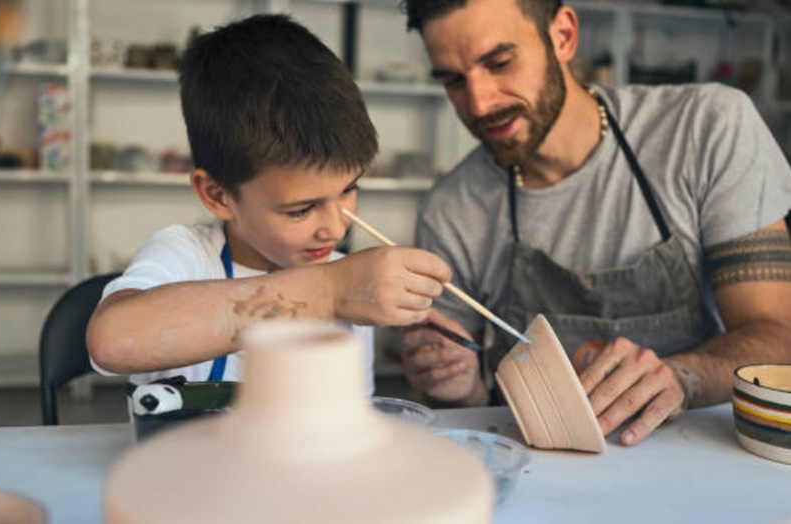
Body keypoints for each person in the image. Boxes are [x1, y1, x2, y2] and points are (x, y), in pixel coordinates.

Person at [398, 0, 791, 445]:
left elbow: (778, 337)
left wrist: (684, 375)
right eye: (453, 80)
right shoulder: (451, 209)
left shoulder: (705, 129)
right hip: (543, 474)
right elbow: (463, 418)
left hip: (703, 457)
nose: (479, 102)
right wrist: (460, 388)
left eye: (500, 63)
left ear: (563, 35)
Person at [86, 14, 451, 393]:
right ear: (217, 194)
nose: (337, 227)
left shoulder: (351, 280)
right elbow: (113, 340)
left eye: (348, 190)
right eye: (301, 210)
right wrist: (329, 292)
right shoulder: (187, 256)